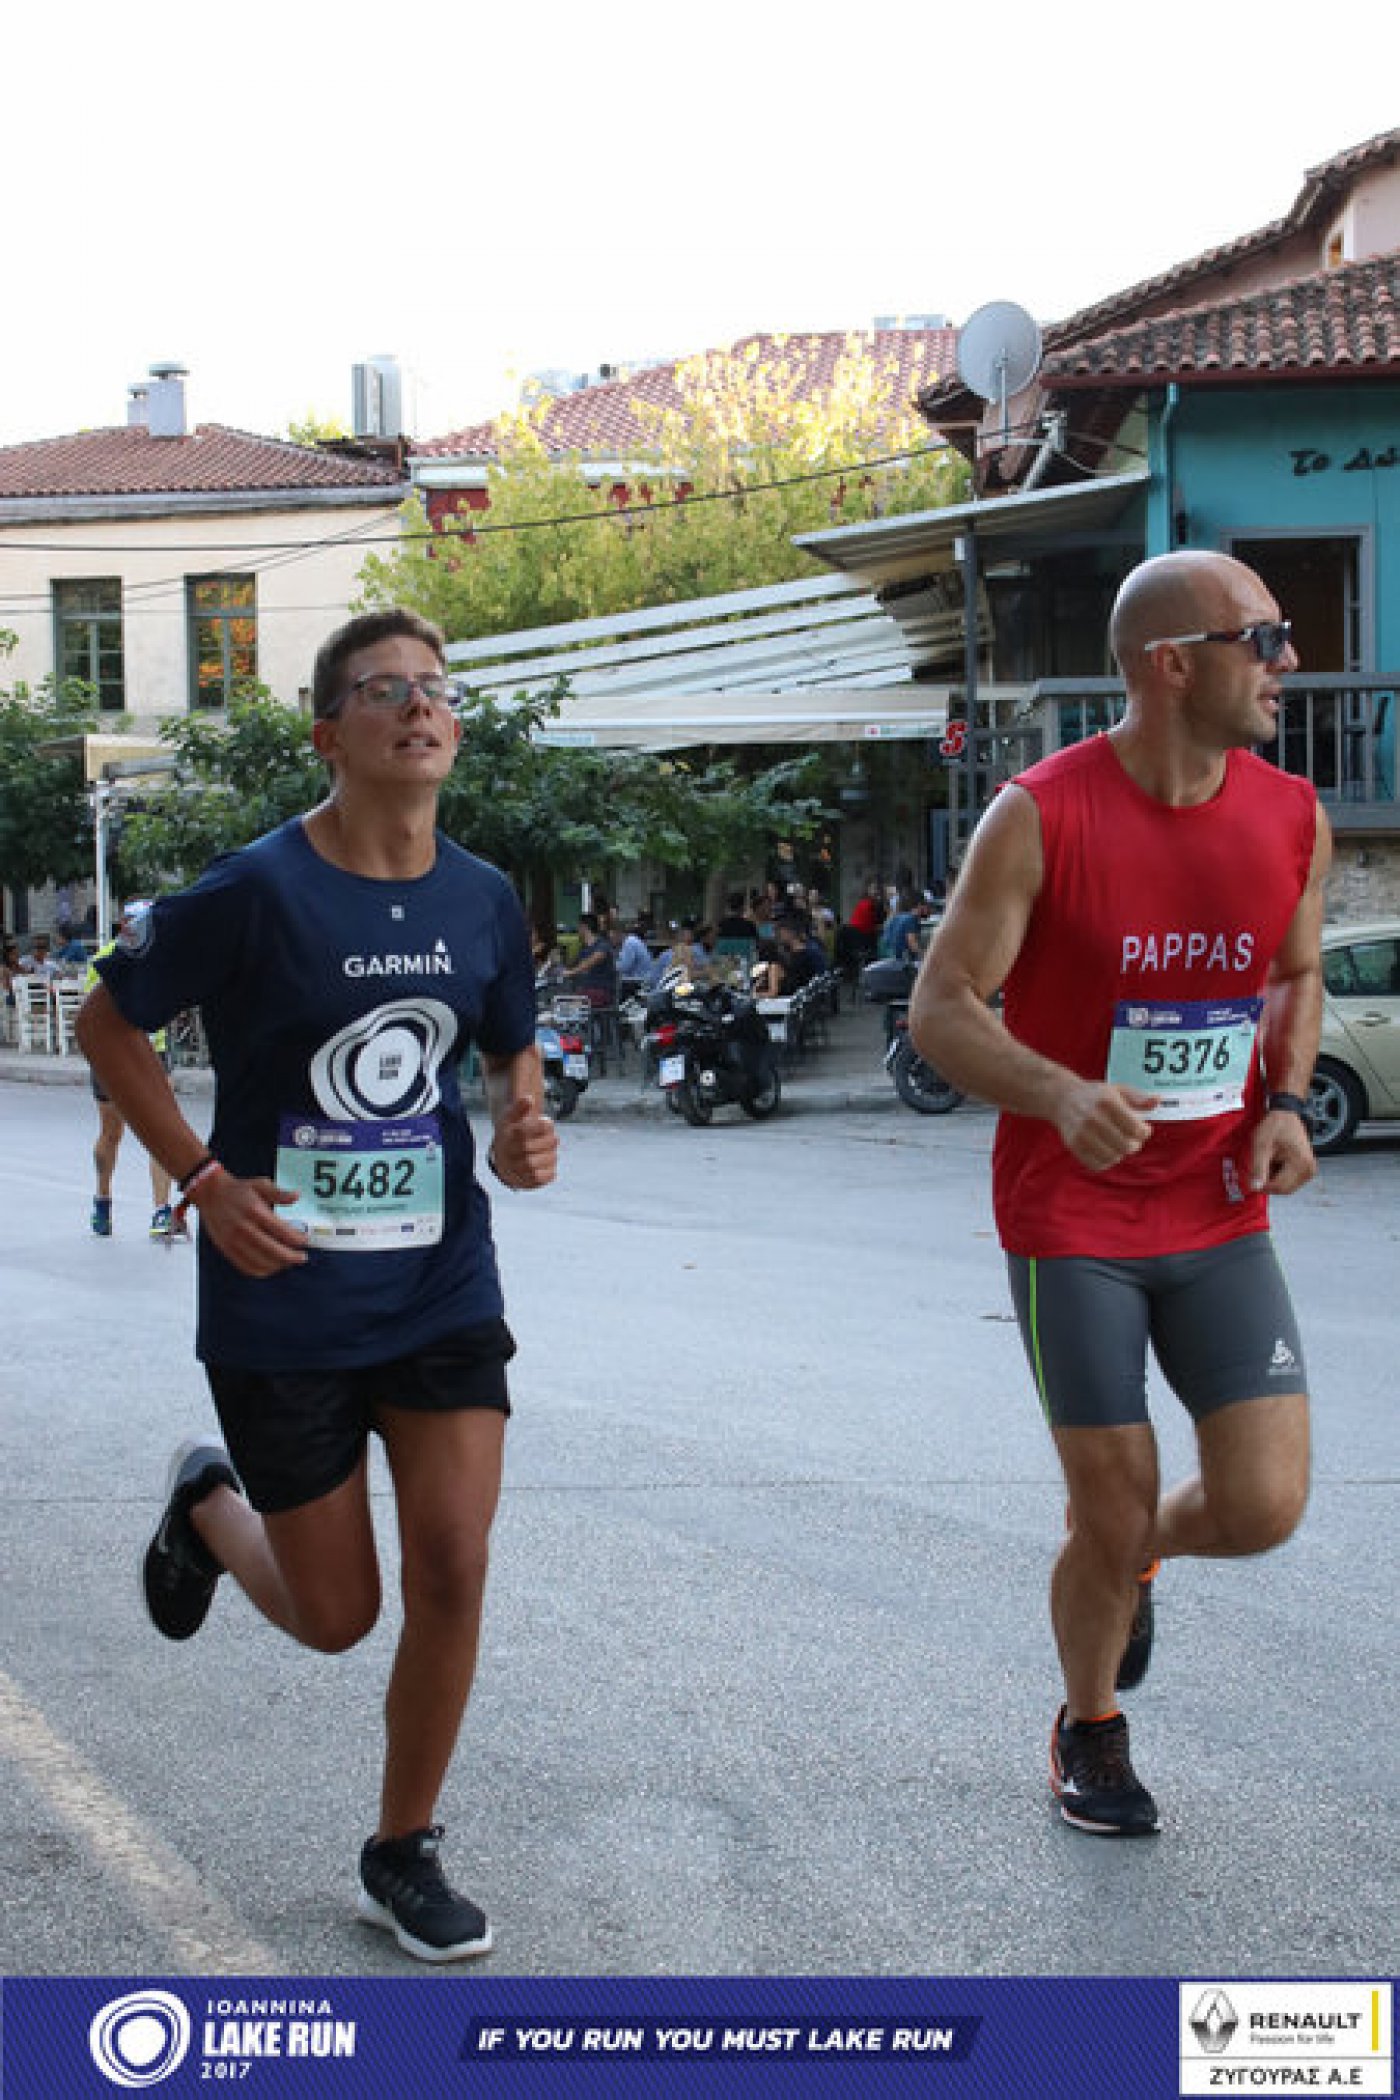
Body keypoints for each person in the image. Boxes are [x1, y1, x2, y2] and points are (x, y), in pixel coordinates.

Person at [77, 607, 558, 1962]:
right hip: (280, 1291)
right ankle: (207, 1503)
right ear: (327, 735)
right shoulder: (255, 889)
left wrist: (520, 1126)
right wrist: (200, 1179)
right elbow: (109, 1020)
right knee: (339, 1616)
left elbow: (508, 1044)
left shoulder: (483, 897)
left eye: (434, 688)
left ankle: (402, 1848)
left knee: (453, 1565)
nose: (418, 707)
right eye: (382, 689)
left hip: (439, 1286)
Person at [910, 550, 1329, 1840]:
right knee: (1107, 1498)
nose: (1288, 662)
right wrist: (1056, 1092)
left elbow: (1292, 973)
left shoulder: (1291, 815)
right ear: (1171, 664)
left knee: (1260, 1506)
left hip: (1217, 1207)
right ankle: (1089, 1726)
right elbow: (940, 1007)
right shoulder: (1039, 816)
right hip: (1072, 1221)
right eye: (1262, 639)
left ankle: (1137, 1555)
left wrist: (1283, 1099)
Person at [84, 902, 179, 1239]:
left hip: (150, 1053)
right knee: (114, 1133)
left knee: (159, 1134)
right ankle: (103, 1198)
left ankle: (159, 1211)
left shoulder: (162, 955)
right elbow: (92, 1012)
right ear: (123, 923)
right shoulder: (108, 958)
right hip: (116, 1054)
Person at [560, 911, 617, 1009]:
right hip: (585, 992)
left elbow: (595, 959)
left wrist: (572, 972)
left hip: (600, 992)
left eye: (579, 927)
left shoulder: (602, 945)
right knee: (560, 1002)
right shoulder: (584, 949)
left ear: (584, 927)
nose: (577, 930)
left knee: (566, 1008)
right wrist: (558, 962)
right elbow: (571, 966)